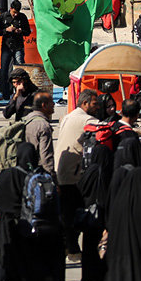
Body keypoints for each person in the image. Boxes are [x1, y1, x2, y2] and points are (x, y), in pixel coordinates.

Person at [0, 142, 65, 281]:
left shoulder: (10, 174)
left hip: (12, 228)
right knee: (33, 264)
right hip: (38, 227)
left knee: (10, 262)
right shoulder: (43, 175)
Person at [55, 88, 102, 258]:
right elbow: (105, 130)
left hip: (62, 171)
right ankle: (72, 248)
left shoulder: (69, 116)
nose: (97, 107)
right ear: (85, 103)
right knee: (75, 213)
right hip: (73, 174)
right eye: (95, 104)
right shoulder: (87, 120)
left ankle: (70, 247)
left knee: (67, 212)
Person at [0, 0, 31, 101]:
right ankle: (6, 93)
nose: (15, 15)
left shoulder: (22, 17)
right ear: (10, 9)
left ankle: (21, 93)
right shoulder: (3, 17)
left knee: (19, 69)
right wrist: (6, 30)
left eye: (17, 13)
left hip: (18, 46)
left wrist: (20, 31)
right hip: (6, 47)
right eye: (14, 12)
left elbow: (27, 31)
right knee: (4, 70)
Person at [23, 91, 56, 174]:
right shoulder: (44, 126)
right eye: (51, 102)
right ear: (44, 105)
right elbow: (46, 156)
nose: (54, 104)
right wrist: (51, 176)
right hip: (37, 172)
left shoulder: (27, 119)